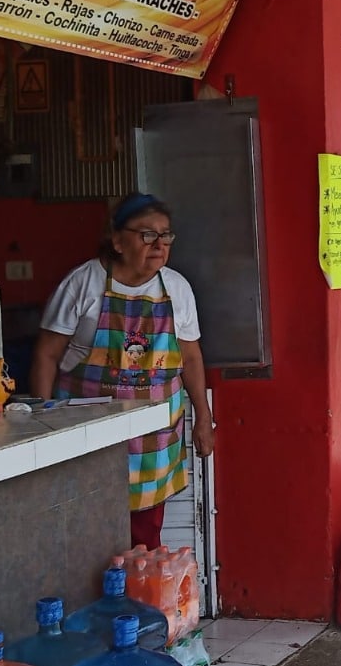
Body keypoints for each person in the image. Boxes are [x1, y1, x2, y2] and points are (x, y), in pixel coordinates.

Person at [30, 192, 214, 549]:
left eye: (166, 236)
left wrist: (203, 420)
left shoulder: (176, 288)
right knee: (85, 532)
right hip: (89, 431)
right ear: (117, 240)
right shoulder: (83, 284)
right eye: (147, 234)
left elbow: (190, 358)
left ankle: (137, 598)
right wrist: (43, 425)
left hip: (152, 440)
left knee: (144, 539)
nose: (159, 244)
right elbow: (46, 356)